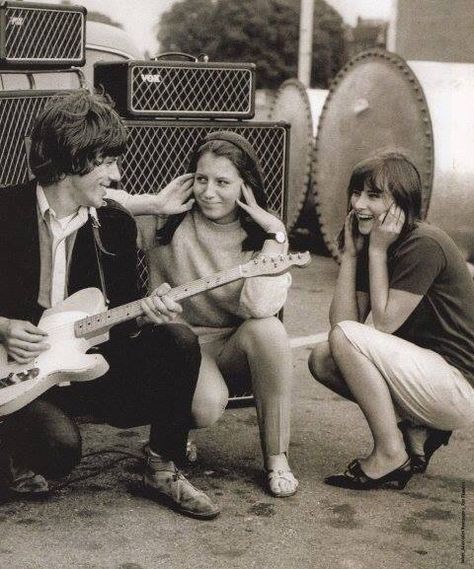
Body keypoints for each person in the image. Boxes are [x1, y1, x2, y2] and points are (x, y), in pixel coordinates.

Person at [0, 91, 219, 519]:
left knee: (176, 339)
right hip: (16, 374)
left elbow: (116, 321)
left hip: (82, 364)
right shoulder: (4, 210)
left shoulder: (114, 224)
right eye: (108, 162)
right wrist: (2, 326)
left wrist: (145, 314)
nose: (116, 176)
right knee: (58, 451)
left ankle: (163, 468)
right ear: (73, 160)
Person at [137, 131, 299, 498]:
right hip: (181, 343)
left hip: (231, 344)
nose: (208, 192)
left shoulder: (261, 236)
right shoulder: (167, 220)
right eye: (201, 179)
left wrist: (275, 232)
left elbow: (258, 306)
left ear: (245, 187)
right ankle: (172, 437)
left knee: (269, 330)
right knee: (205, 408)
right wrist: (151, 204)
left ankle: (277, 458)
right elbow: (98, 204)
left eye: (223, 182)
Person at [308, 151, 474, 490]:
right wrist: (352, 256)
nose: (358, 204)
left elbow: (383, 324)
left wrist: (377, 252)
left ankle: (389, 452)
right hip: (426, 377)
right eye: (356, 193)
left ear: (401, 203)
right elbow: (343, 323)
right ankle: (413, 431)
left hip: (459, 385)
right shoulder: (371, 242)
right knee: (323, 359)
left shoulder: (424, 243)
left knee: (346, 340)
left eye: (373, 195)